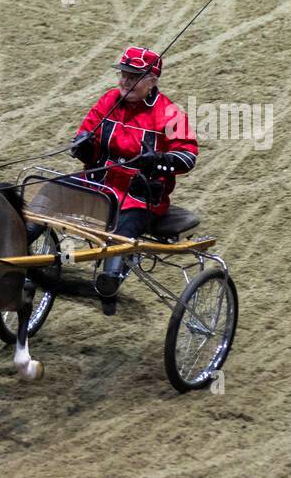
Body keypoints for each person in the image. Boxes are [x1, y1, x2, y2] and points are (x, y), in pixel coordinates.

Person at [70, 46, 198, 314]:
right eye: (123, 75)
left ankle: (110, 282)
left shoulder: (169, 114)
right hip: (96, 186)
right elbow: (87, 133)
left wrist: (159, 160)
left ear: (152, 81)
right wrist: (82, 146)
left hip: (139, 198)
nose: (125, 82)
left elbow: (188, 157)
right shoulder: (108, 101)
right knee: (50, 194)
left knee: (123, 228)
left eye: (133, 77)